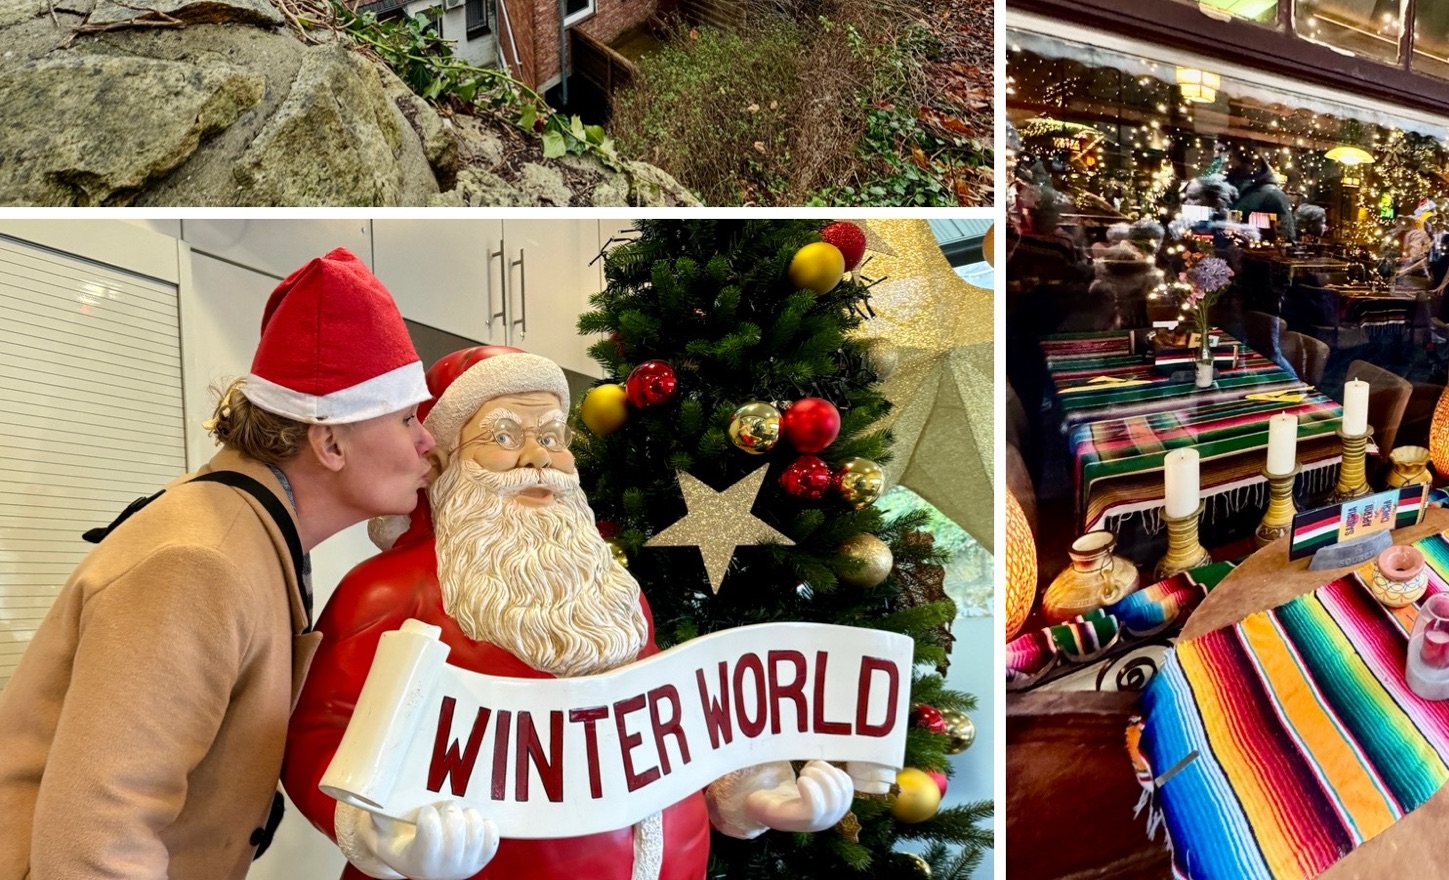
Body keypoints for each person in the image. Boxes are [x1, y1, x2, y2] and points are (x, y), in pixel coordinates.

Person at [283, 346, 874, 880]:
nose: (537, 458)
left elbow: (673, 724)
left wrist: (752, 793)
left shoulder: (607, 585)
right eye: (505, 436)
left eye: (550, 436)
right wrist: (392, 838)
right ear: (443, 465)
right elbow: (317, 739)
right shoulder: (386, 594)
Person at [0, 248, 438, 880]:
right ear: (331, 441)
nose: (426, 440)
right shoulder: (200, 564)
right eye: (405, 417)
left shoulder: (248, 538)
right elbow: (95, 845)